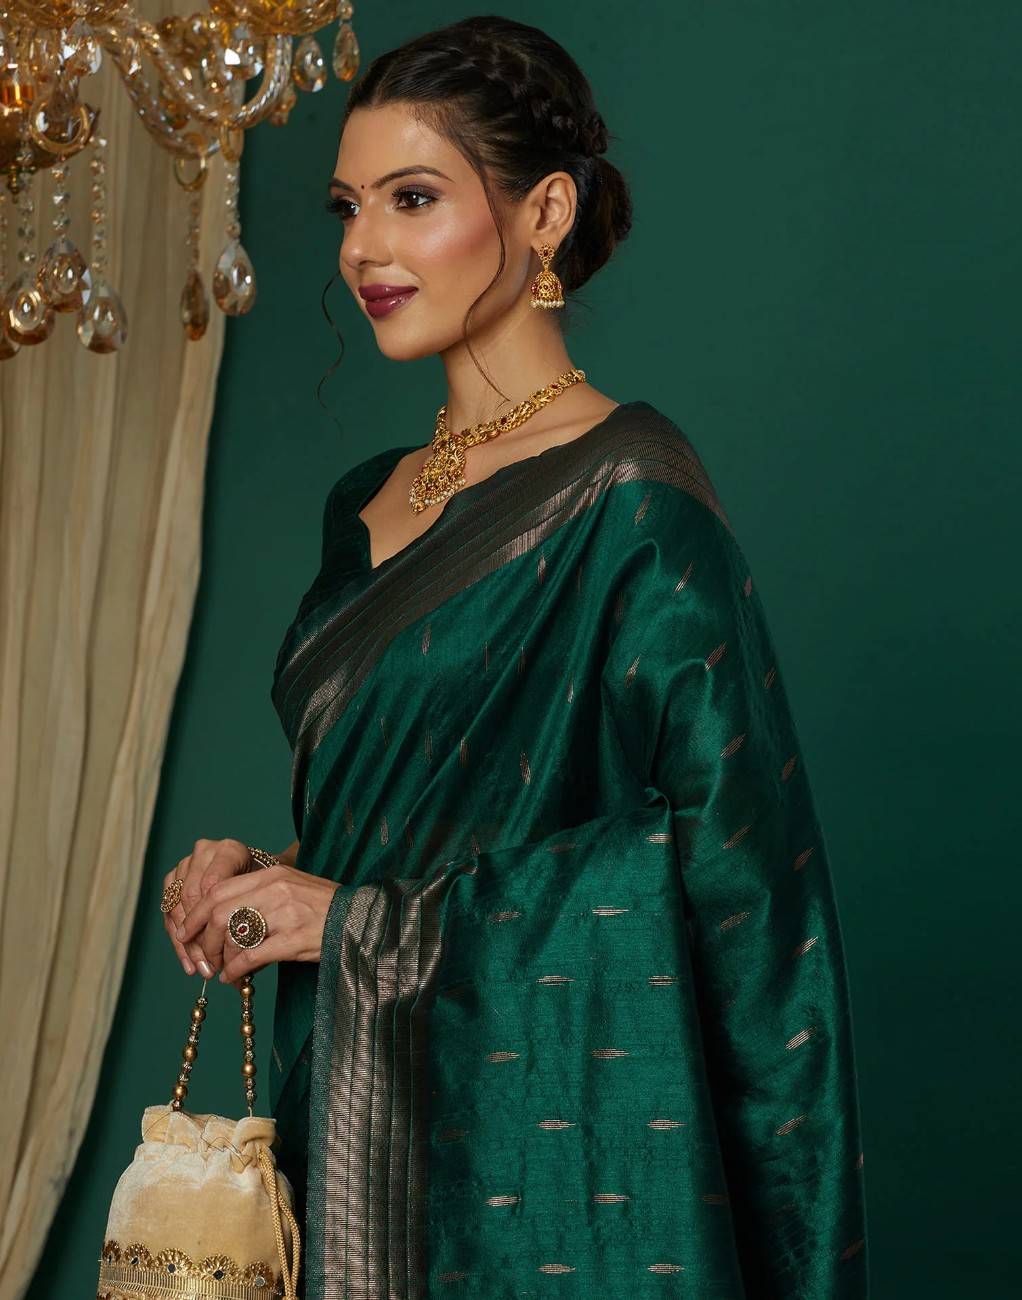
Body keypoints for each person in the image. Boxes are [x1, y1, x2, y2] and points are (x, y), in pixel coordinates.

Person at [167, 15, 868, 1298]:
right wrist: (266, 882)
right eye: (346, 208)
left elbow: (740, 896)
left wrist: (361, 922)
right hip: (348, 1125)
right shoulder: (361, 505)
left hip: (536, 1190)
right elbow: (407, 824)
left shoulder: (632, 497)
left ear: (541, 211)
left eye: (412, 198)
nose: (362, 249)